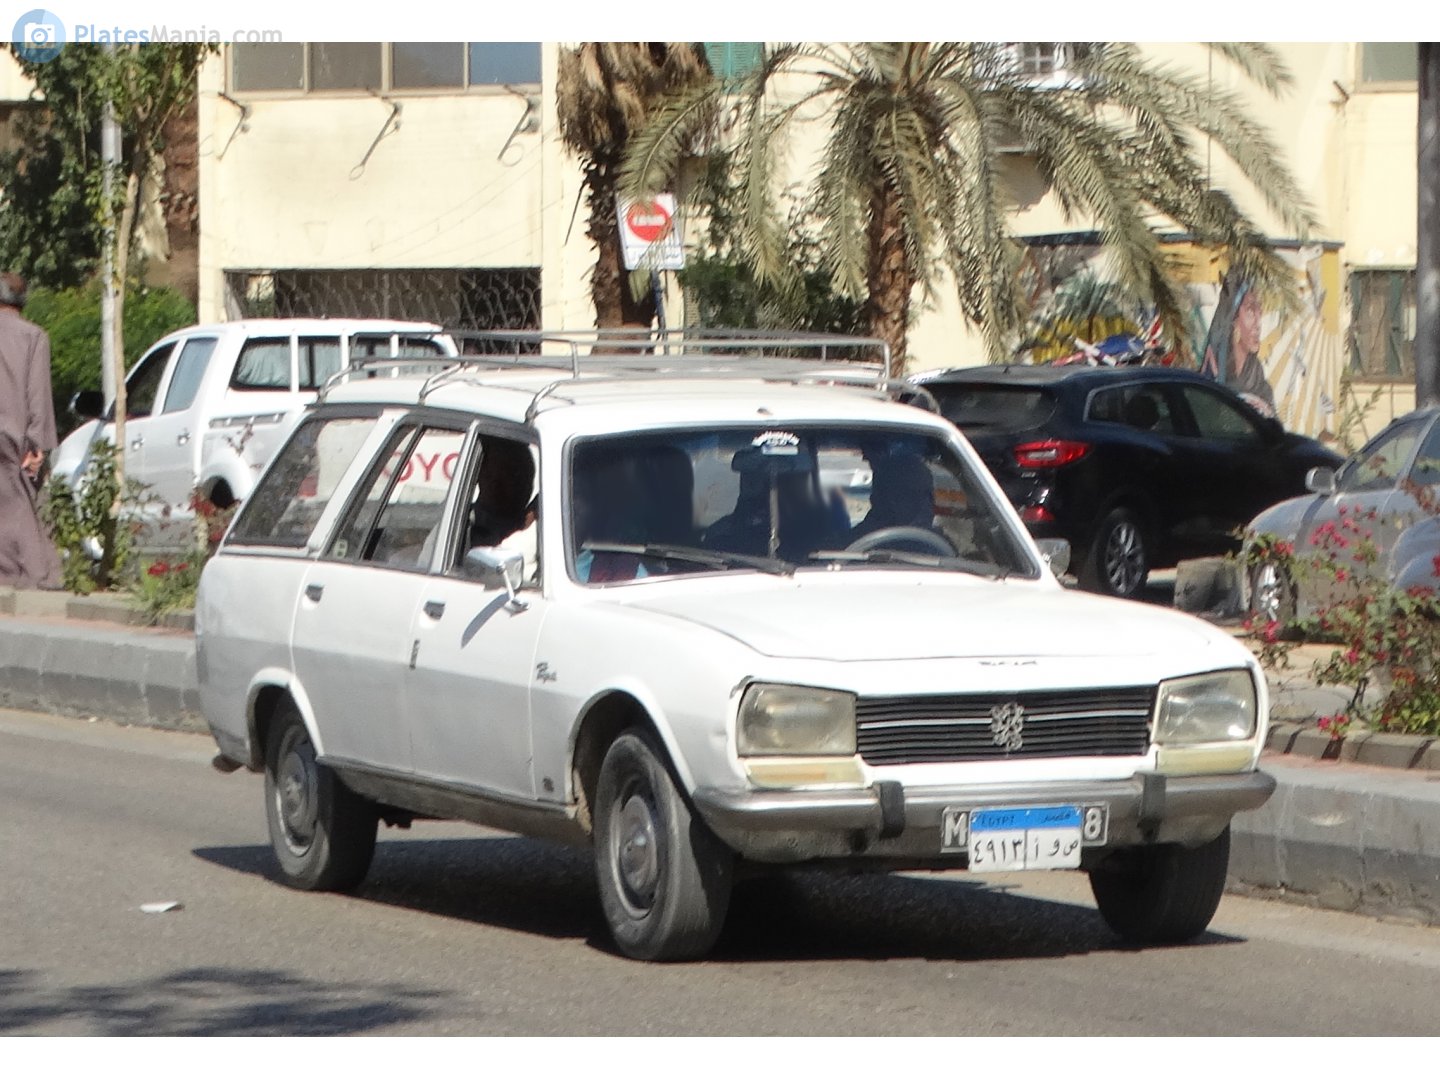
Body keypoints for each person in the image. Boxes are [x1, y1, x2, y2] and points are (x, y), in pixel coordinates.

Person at [0, 272, 62, 589]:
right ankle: (36, 576)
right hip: (15, 435)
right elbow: (37, 394)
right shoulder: (33, 336)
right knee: (25, 503)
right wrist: (38, 444)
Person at [1200, 272, 1277, 417]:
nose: (1258, 324)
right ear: (1233, 320)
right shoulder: (1215, 370)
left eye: (1259, 312)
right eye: (1250, 311)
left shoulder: (1258, 380)